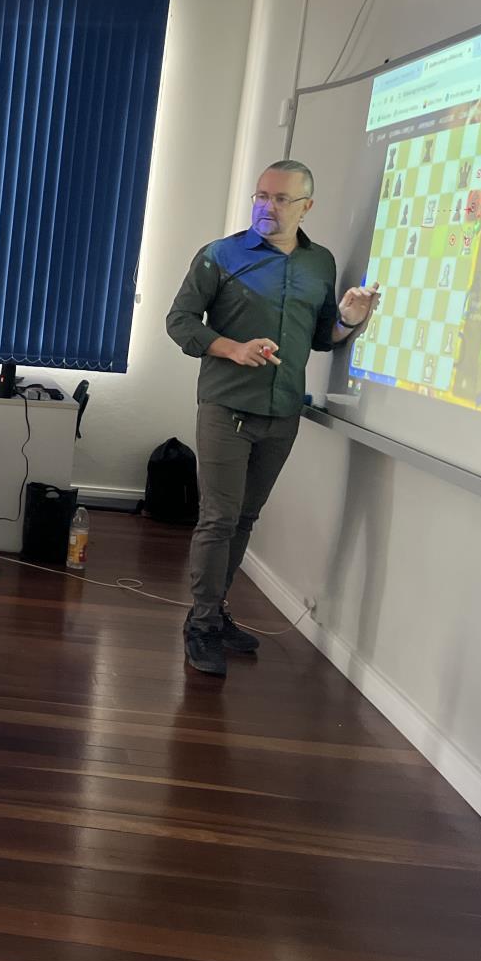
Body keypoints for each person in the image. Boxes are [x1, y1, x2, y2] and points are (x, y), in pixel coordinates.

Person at [167, 160, 380, 677]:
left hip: (283, 411)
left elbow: (321, 337)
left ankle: (216, 612)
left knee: (245, 518)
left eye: (281, 199)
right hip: (225, 406)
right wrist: (232, 348)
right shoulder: (220, 255)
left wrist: (348, 321)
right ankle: (200, 625)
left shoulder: (320, 263)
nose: (267, 206)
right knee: (218, 518)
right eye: (261, 196)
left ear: (306, 206)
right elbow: (179, 322)